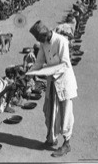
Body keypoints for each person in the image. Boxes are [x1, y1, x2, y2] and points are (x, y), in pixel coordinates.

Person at [26, 20, 78, 157]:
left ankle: (67, 144)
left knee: (65, 113)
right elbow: (38, 63)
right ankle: (51, 139)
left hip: (64, 81)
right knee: (48, 110)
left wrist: (48, 72)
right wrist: (28, 73)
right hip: (52, 82)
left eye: (40, 38)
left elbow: (65, 64)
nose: (40, 42)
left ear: (45, 33)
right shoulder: (43, 44)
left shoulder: (61, 41)